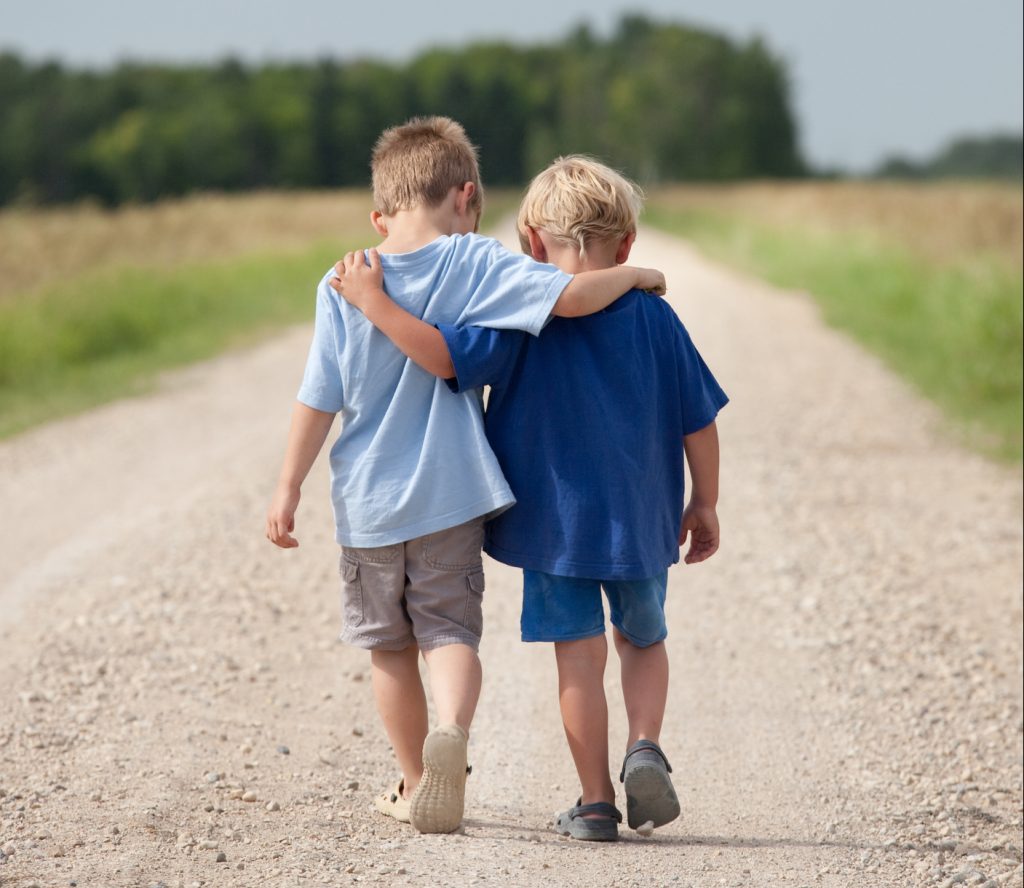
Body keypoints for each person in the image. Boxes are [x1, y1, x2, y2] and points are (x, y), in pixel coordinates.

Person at [264, 120, 667, 836]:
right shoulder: (475, 262)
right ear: (468, 197)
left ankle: (419, 779)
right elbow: (572, 297)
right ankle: (452, 725)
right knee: (450, 631)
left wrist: (288, 486)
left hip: (369, 504)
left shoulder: (342, 281)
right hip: (453, 494)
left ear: (379, 214)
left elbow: (318, 396)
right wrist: (635, 275)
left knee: (389, 647)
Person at [330, 155, 727, 841]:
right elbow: (700, 418)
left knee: (578, 657)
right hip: (641, 521)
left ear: (533, 246)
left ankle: (596, 801)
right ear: (627, 247)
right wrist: (706, 502)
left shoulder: (517, 317)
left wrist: (377, 304)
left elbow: (443, 358)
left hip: (555, 530)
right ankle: (644, 745)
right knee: (642, 639)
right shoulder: (656, 321)